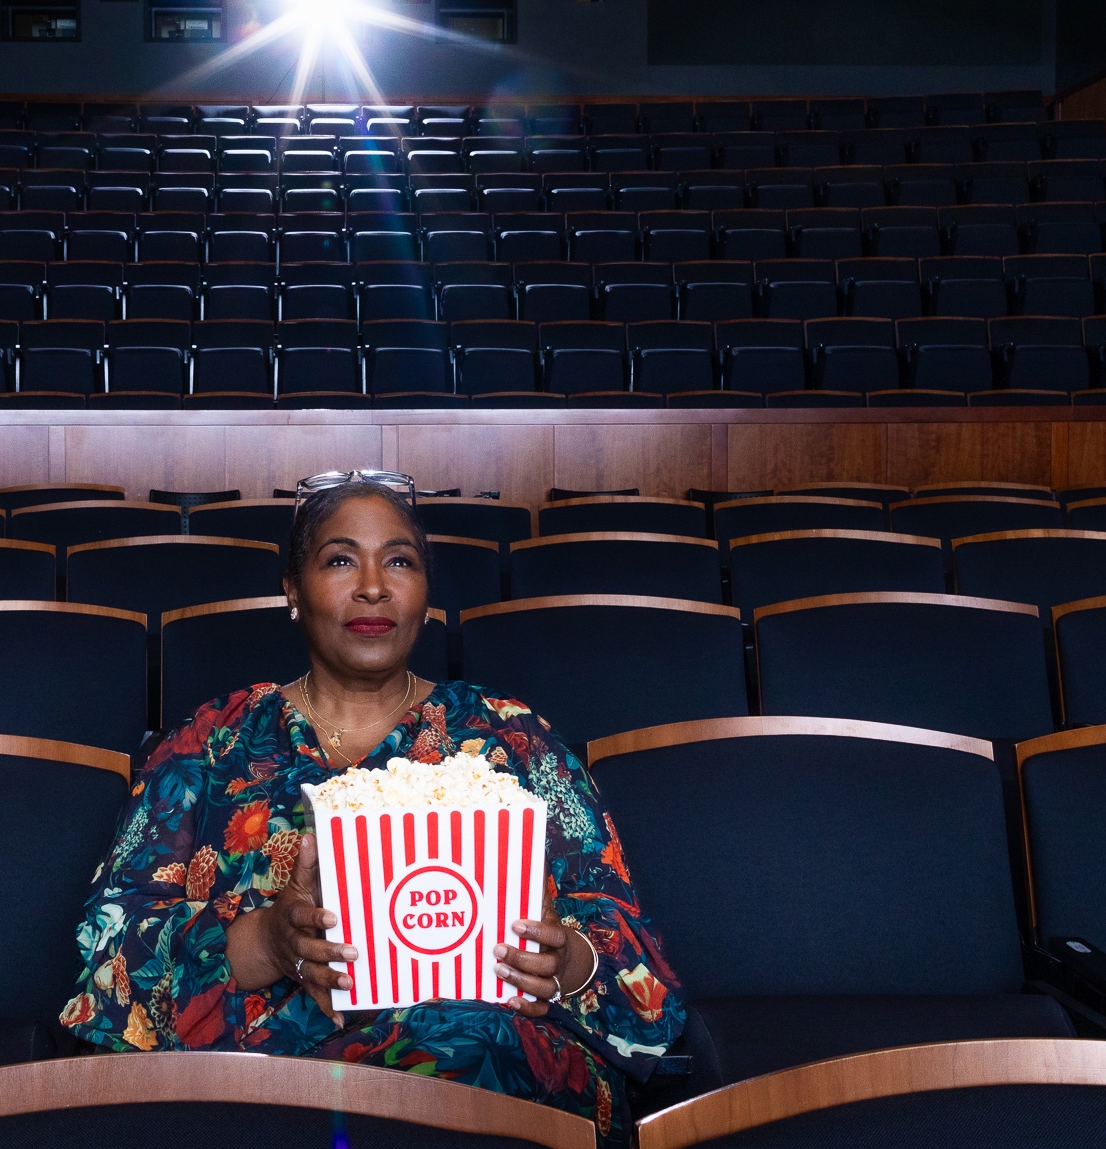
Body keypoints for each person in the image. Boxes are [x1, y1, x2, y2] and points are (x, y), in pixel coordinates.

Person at [64, 473, 683, 1145]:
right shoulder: (209, 743)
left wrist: (564, 962)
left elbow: (641, 975)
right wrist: (264, 941)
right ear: (292, 590)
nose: (372, 586)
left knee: (475, 1046)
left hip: (489, 1077)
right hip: (260, 1085)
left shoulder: (509, 735)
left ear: (425, 593)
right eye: (339, 559)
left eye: (399, 560)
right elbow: (105, 958)